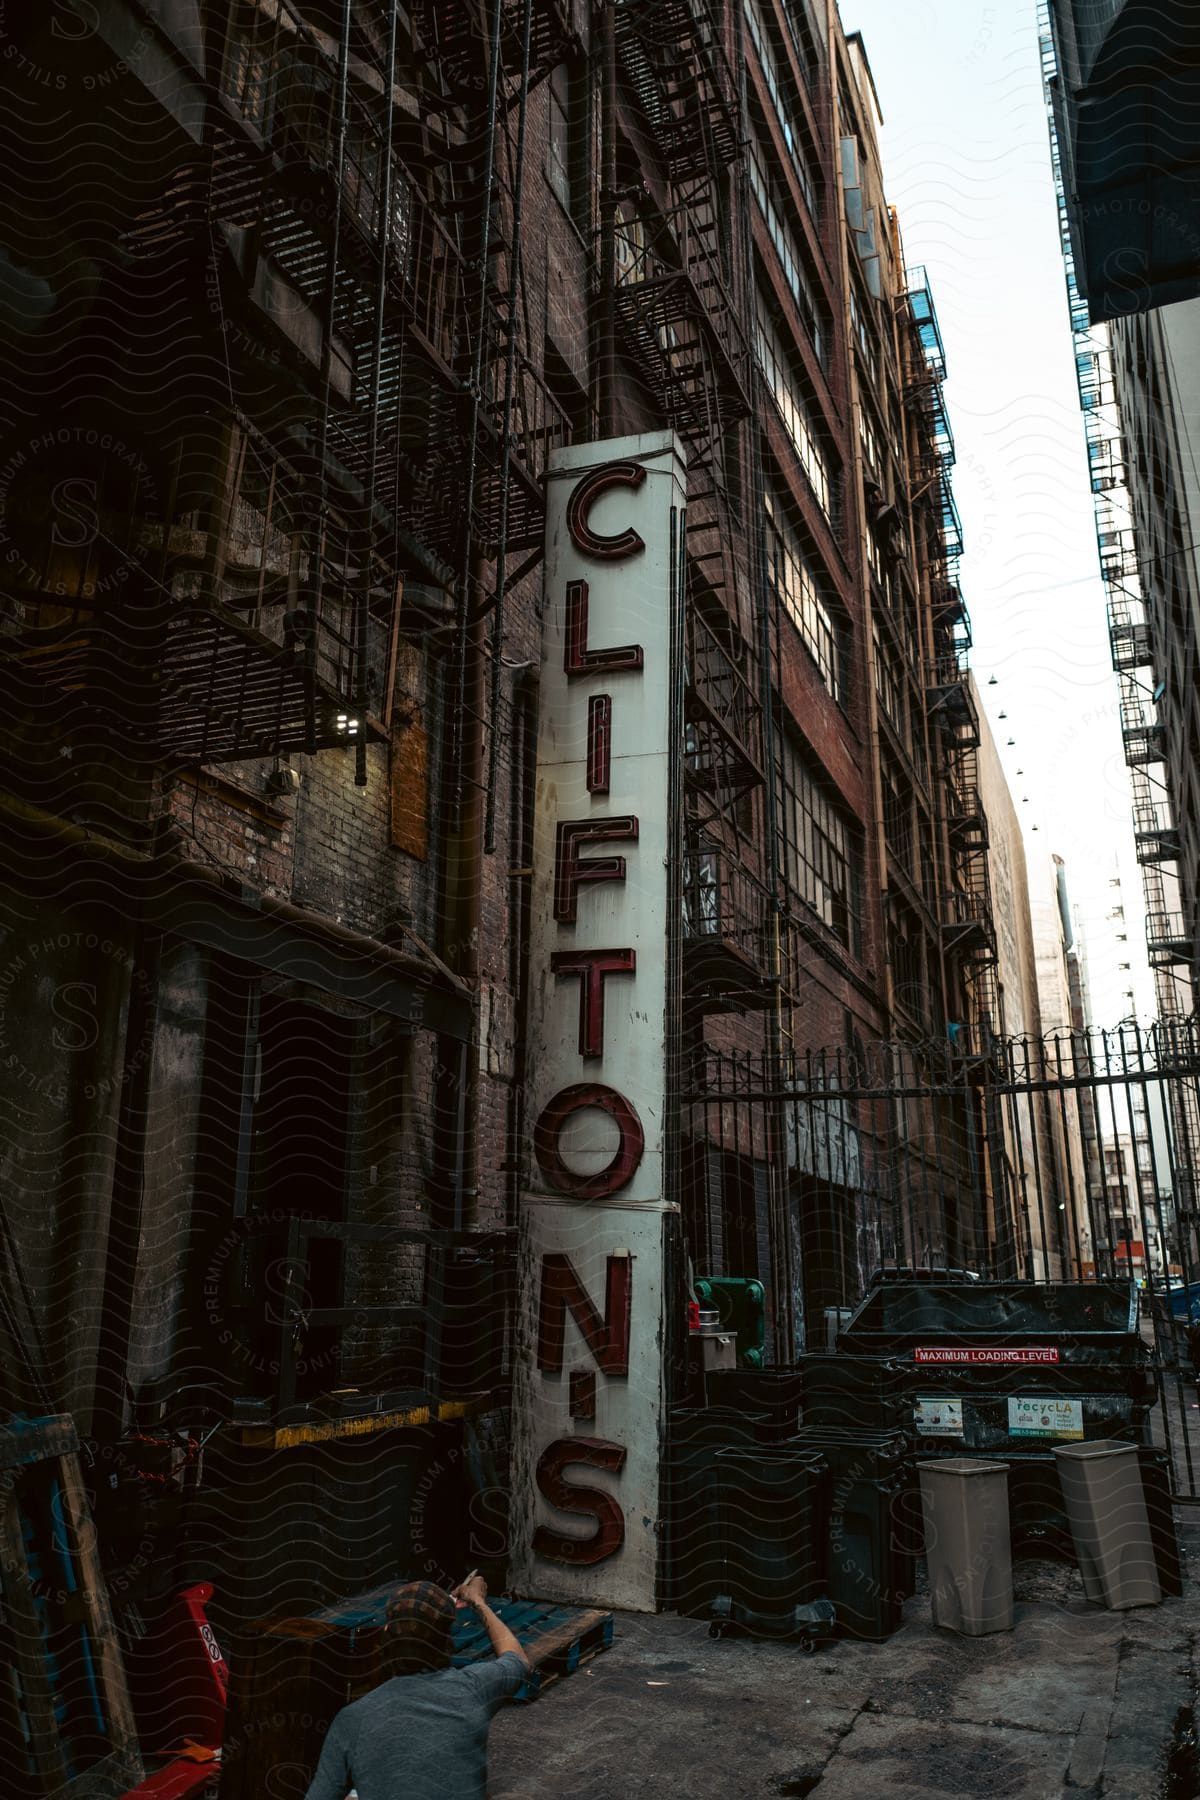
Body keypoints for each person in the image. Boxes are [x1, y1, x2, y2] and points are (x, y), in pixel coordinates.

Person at [303, 1575, 530, 1800]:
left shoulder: (352, 1720)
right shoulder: (474, 1688)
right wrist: (479, 1602)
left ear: (386, 1636)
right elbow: (517, 1657)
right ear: (446, 1639)